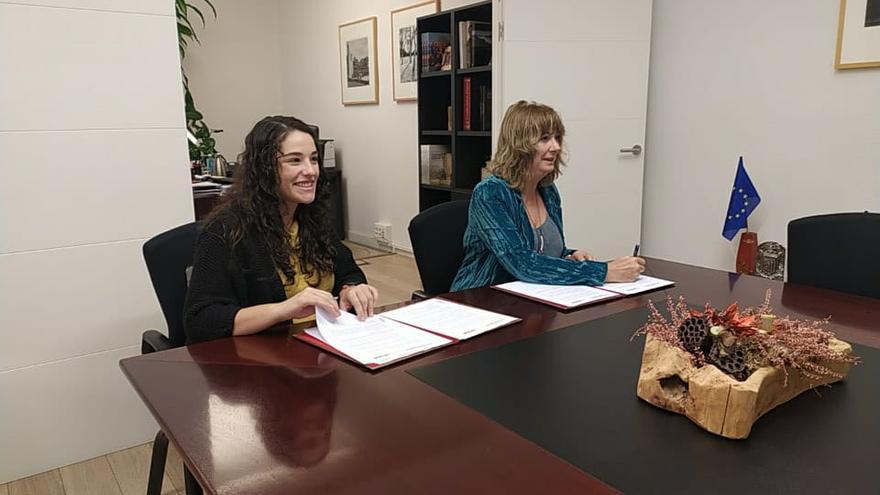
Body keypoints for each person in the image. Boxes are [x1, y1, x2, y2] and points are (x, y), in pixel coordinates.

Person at [184, 115, 378, 343]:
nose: (311, 171)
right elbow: (200, 320)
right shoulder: (225, 230)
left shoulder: (310, 217)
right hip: (259, 361)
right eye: (295, 160)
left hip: (322, 345)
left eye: (313, 159)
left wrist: (351, 288)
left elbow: (348, 270)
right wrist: (285, 309)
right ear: (265, 168)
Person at [451, 101, 644, 291]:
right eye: (544, 139)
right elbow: (522, 263)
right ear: (519, 145)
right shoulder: (490, 193)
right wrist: (604, 272)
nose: (556, 147)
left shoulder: (548, 190)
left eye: (557, 137)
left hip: (533, 297)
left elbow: (544, 251)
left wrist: (570, 255)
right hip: (480, 300)